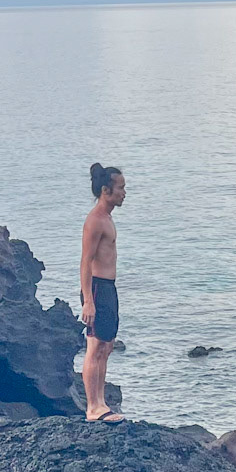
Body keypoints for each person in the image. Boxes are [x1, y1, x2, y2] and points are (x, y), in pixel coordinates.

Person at [80, 162, 126, 423]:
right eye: (120, 188)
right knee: (95, 346)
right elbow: (85, 261)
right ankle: (92, 407)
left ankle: (101, 402)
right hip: (97, 288)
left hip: (108, 287)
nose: (124, 193)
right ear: (106, 190)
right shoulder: (95, 221)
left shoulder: (107, 218)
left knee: (106, 345)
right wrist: (88, 300)